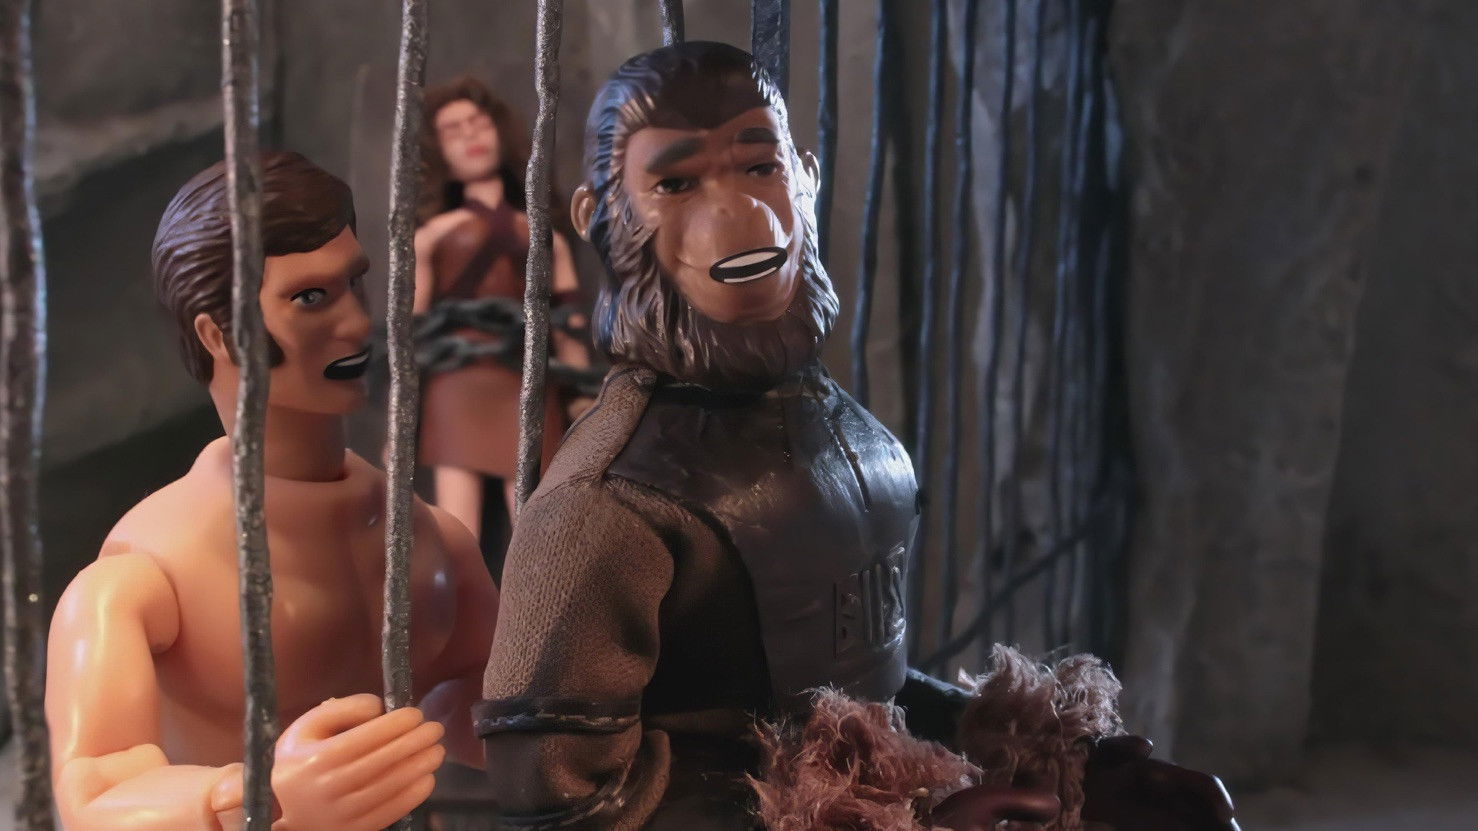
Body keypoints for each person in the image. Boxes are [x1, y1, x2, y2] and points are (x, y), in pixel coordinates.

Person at [476, 43, 1237, 831]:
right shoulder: (606, 504)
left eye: (759, 167)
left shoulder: (830, 425)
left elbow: (859, 701)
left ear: (805, 176)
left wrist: (1067, 766)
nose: (739, 212)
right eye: (676, 183)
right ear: (599, 216)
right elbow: (560, 798)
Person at [45, 152, 499, 831]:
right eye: (310, 298)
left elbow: (477, 704)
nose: (355, 324)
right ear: (218, 333)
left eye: (353, 284)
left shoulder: (434, 540)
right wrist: (257, 799)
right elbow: (93, 795)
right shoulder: (141, 580)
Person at [413, 76, 592, 542]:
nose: (470, 137)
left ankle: (536, 590)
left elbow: (569, 323)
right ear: (437, 149)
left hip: (526, 378)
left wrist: (584, 396)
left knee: (536, 523)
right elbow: (412, 329)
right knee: (457, 528)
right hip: (456, 382)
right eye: (453, 131)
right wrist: (400, 413)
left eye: (478, 124)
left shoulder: (544, 236)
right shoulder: (430, 238)